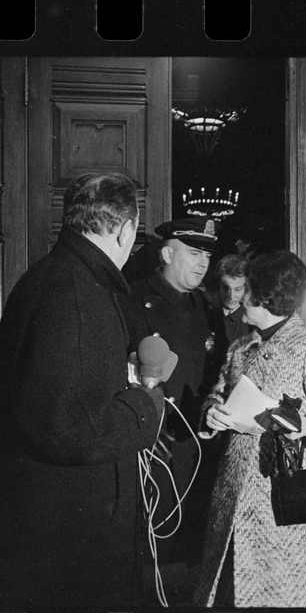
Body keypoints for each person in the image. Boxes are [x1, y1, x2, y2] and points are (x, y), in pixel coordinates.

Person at [0, 171, 165, 609]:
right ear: (126, 229)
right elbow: (69, 427)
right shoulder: (78, 292)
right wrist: (145, 404)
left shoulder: (53, 276)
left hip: (51, 510)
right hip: (76, 523)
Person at [193, 250, 306, 607]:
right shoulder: (240, 347)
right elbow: (217, 393)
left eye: (245, 288)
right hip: (235, 484)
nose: (237, 297)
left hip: (286, 483)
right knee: (229, 589)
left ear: (263, 297)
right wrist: (212, 412)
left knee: (290, 592)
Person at [119, 216, 222, 566]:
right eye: (194, 254)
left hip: (199, 439)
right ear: (166, 254)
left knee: (196, 541)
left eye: (206, 257)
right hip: (154, 442)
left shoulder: (208, 306)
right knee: (154, 543)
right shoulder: (132, 300)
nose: (203, 264)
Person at [212, 253, 252, 360]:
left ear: (246, 288)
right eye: (225, 288)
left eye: (238, 289)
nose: (231, 296)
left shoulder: (251, 321)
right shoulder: (207, 312)